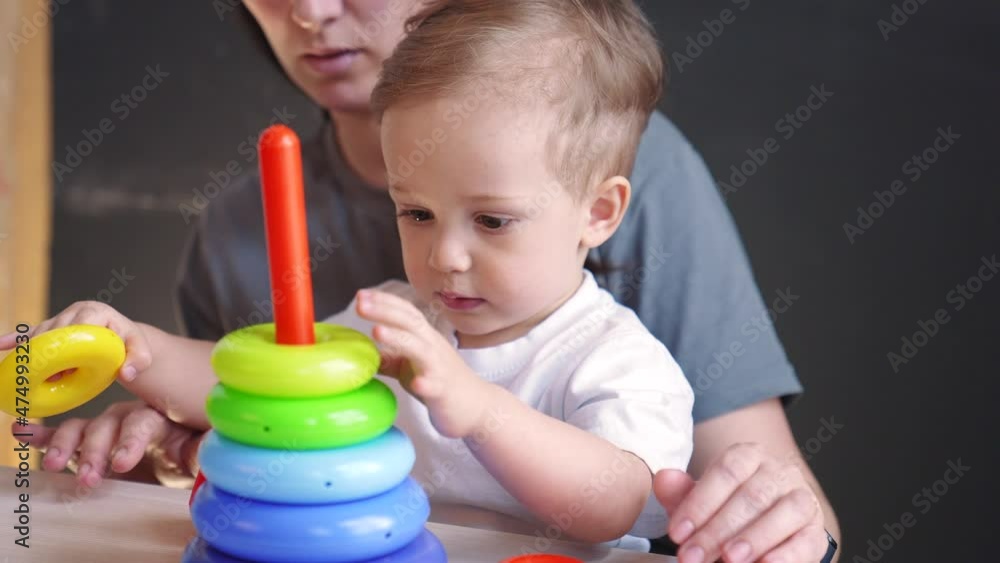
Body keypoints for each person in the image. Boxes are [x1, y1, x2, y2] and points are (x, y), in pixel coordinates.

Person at [6, 1, 840, 561]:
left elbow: (612, 501)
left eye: (494, 221)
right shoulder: (404, 316)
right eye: (416, 215)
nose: (446, 257)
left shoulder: (614, 354)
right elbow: (254, 364)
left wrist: (475, 406)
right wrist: (135, 348)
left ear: (601, 212)